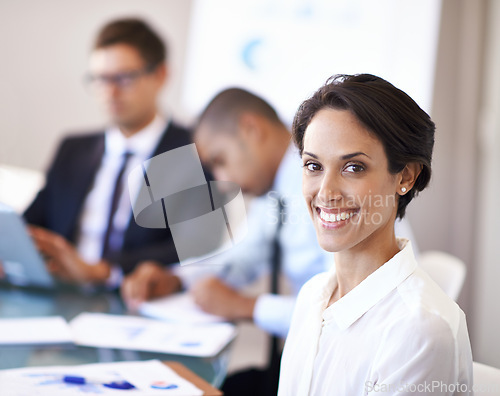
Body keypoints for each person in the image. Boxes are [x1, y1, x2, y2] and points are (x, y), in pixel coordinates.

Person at [121, 88, 419, 395]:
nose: (224, 181)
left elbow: (353, 315)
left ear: (251, 130)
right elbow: (243, 259)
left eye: (220, 160)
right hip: (303, 364)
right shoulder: (276, 194)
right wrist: (177, 278)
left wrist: (246, 306)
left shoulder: (336, 203)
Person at [278, 74, 473, 395]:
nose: (325, 193)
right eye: (313, 166)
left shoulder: (421, 328)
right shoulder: (312, 296)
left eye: (353, 167)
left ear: (406, 176)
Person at [23, 18, 191, 289]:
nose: (110, 92)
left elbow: (194, 248)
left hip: (133, 300)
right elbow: (33, 223)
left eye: (124, 78)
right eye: (101, 79)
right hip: (61, 291)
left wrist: (102, 271)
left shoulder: (192, 151)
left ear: (160, 75)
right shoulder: (73, 149)